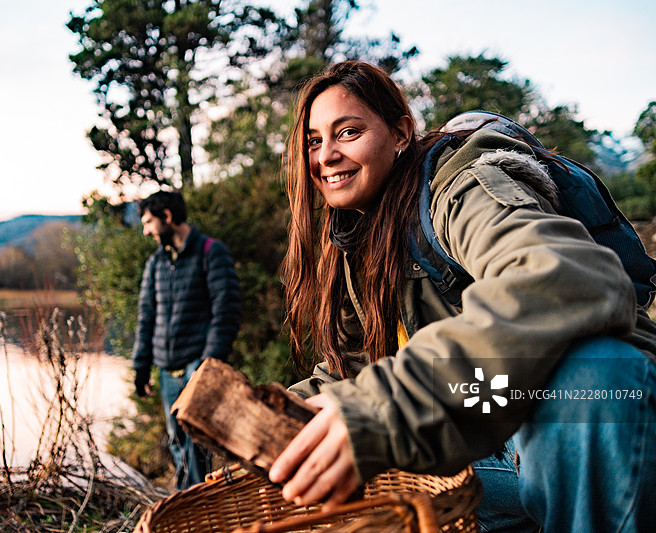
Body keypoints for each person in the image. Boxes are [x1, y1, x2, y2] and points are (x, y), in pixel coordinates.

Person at [267, 60, 656, 532]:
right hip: (493, 426)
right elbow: (355, 370)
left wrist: (381, 410)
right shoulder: (359, 241)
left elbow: (563, 280)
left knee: (592, 374)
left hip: (595, 424)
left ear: (401, 134)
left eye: (348, 132)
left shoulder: (462, 187)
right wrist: (266, 419)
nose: (326, 155)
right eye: (314, 141)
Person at [131, 190, 241, 490]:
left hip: (197, 366)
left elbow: (226, 311)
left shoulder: (211, 252)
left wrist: (207, 365)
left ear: (167, 217)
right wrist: (141, 367)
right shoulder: (156, 263)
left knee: (196, 448)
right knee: (177, 444)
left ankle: (195, 505)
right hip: (167, 372)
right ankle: (191, 501)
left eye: (149, 222)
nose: (146, 231)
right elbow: (146, 317)